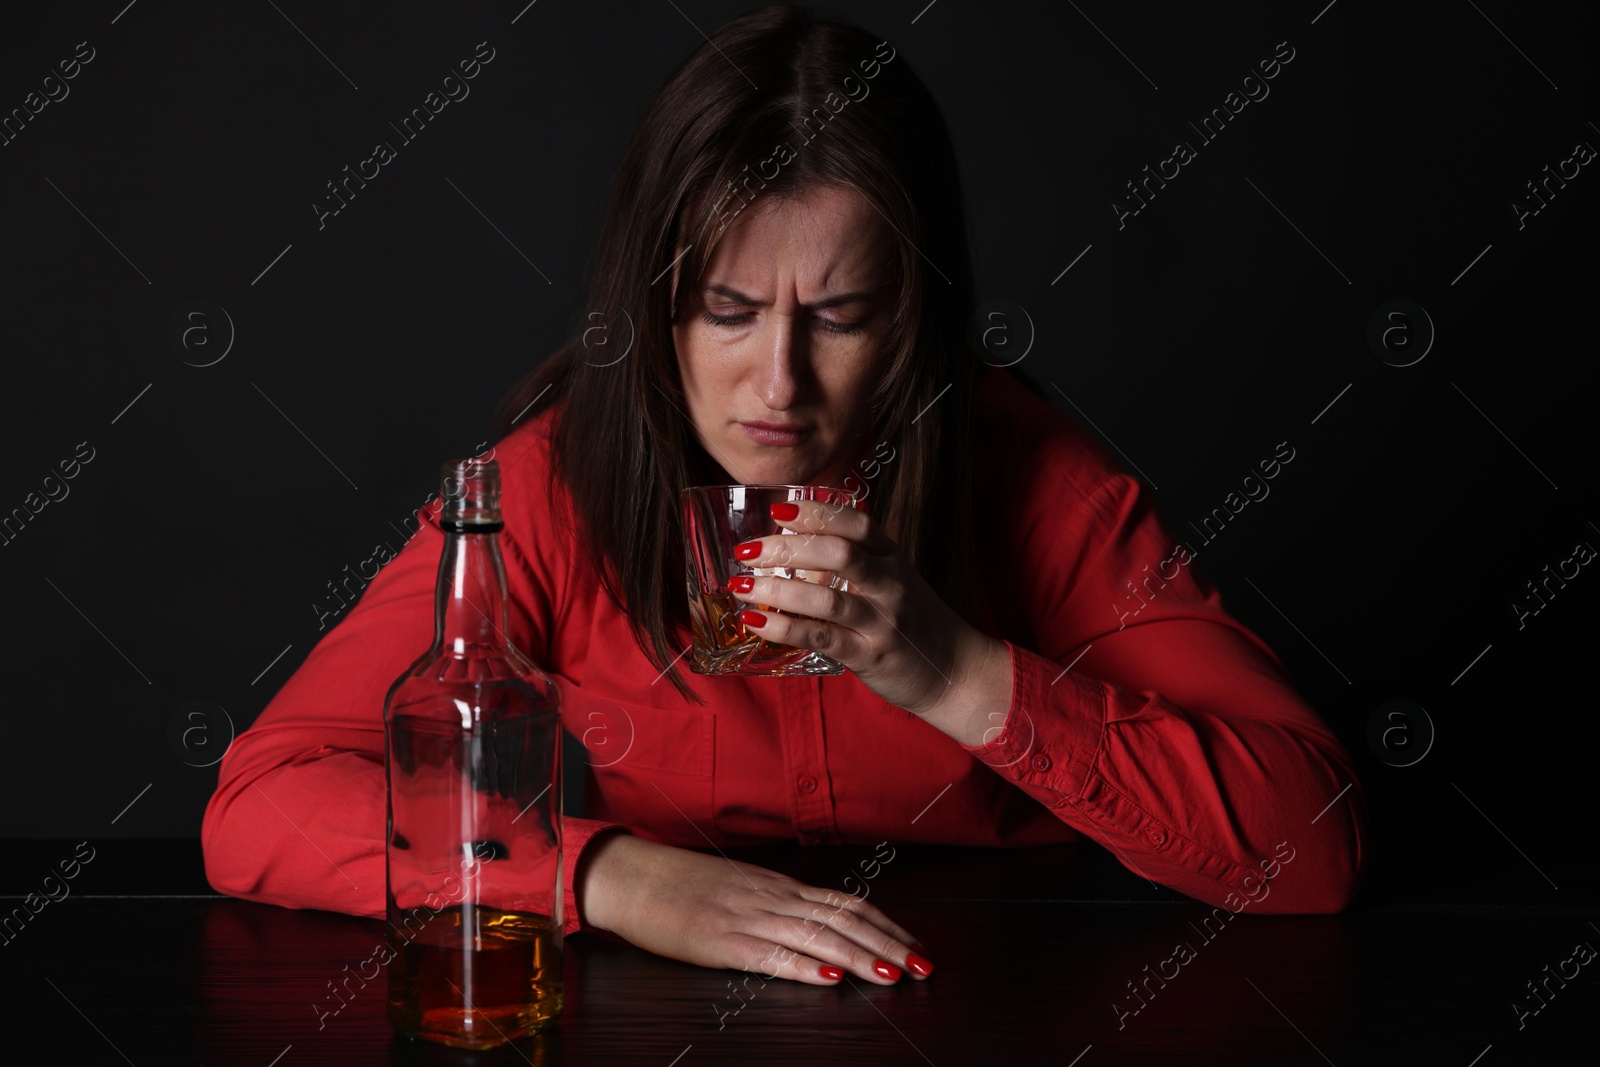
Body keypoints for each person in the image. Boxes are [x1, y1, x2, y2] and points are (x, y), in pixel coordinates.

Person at [202, 3, 1365, 989]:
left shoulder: (1032, 478)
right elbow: (260, 800)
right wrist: (604, 874)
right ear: (653, 305)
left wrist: (958, 674)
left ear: (915, 317)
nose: (778, 384)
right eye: (726, 309)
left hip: (1006, 992)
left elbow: (1309, 849)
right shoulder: (545, 489)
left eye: (841, 318)